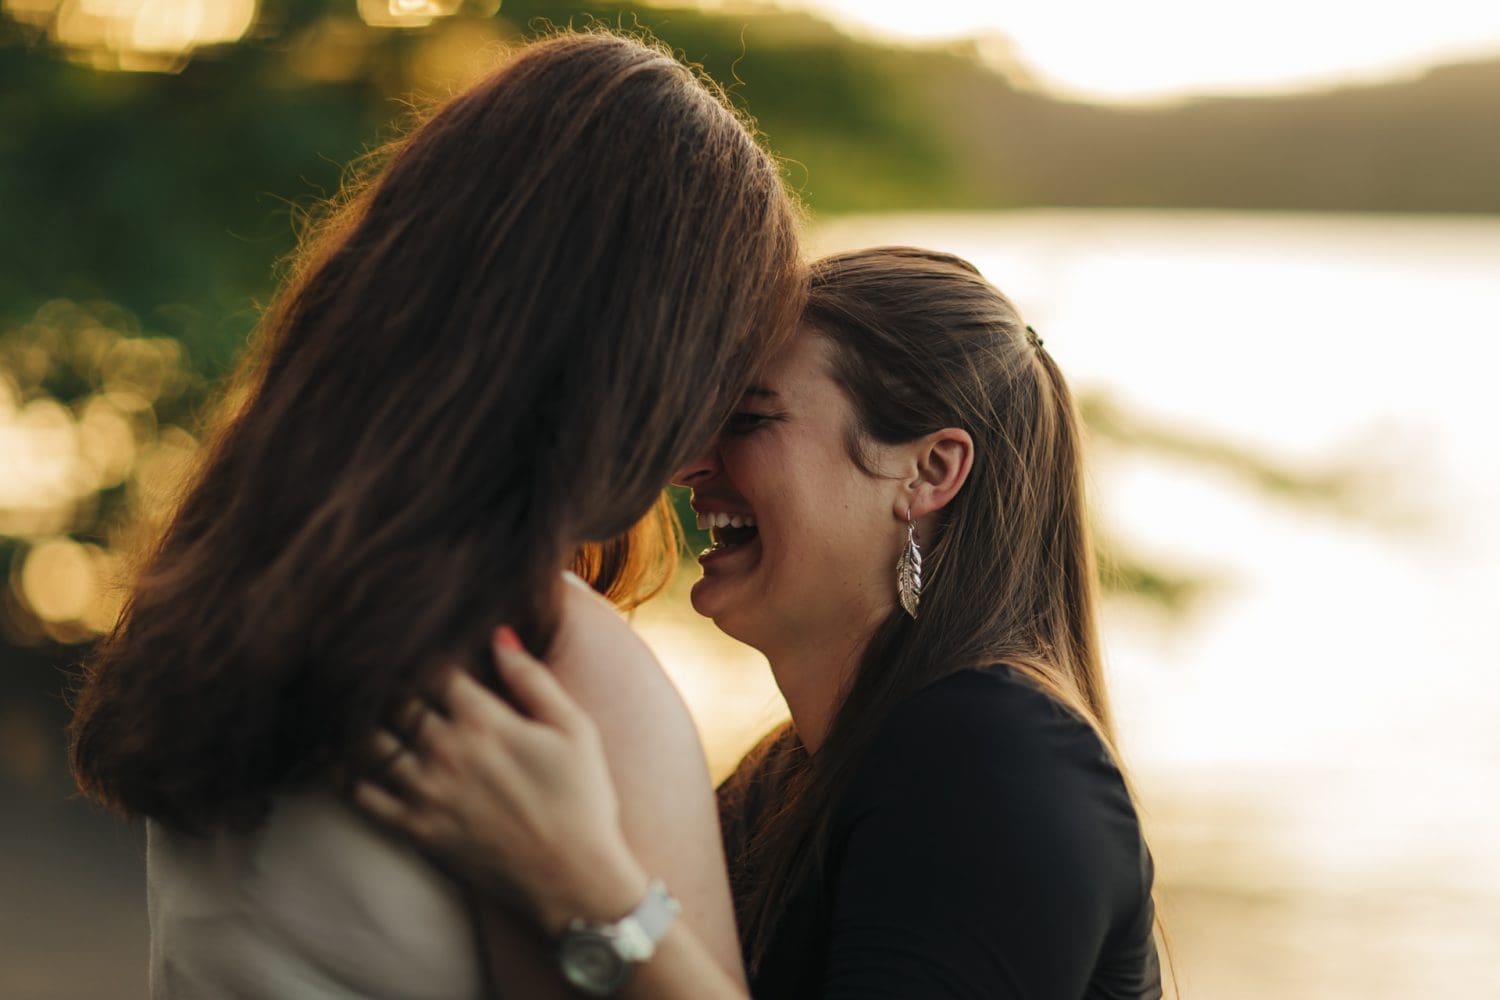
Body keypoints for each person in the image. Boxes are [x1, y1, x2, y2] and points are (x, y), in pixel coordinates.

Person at [66, 31, 802, 998]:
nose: (706, 448)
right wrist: (600, 892)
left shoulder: (236, 589)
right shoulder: (544, 664)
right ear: (635, 352)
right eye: (718, 370)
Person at [357, 247, 1164, 999]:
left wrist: (580, 878)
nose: (688, 467)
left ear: (928, 471)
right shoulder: (786, 779)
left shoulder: (999, 755)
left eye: (747, 420)